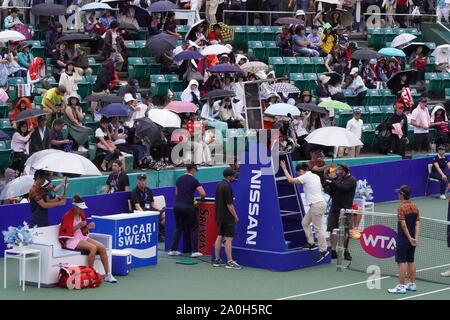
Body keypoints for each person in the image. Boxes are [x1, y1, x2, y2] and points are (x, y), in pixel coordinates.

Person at [58, 194, 117, 283]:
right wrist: (78, 226)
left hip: (82, 238)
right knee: (93, 248)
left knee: (102, 247)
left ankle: (108, 274)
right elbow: (66, 234)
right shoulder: (67, 216)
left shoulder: (81, 214)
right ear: (74, 206)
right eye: (80, 208)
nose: (82, 210)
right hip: (71, 240)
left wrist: (88, 227)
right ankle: (91, 274)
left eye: (82, 208)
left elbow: (83, 231)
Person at [280, 161, 329, 263]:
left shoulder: (306, 176)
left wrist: (284, 169)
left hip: (316, 205)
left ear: (302, 171)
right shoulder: (315, 176)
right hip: (317, 204)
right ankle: (311, 243)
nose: (298, 175)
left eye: (298, 173)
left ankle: (323, 250)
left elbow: (291, 180)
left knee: (318, 229)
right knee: (305, 222)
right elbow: (320, 188)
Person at [168, 164, 206, 257]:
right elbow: (203, 193)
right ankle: (194, 251)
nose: (195, 172)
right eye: (195, 170)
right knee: (194, 228)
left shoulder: (179, 179)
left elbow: (177, 194)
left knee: (178, 228)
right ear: (192, 169)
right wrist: (198, 200)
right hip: (188, 206)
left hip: (177, 206)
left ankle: (173, 250)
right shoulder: (194, 180)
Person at [388, 185, 419, 294]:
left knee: (401, 262)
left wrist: (409, 238)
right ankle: (412, 284)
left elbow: (403, 225)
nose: (398, 195)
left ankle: (401, 287)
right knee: (411, 260)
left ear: (402, 195)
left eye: (399, 193)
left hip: (403, 239)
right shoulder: (415, 207)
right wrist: (415, 238)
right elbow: (417, 224)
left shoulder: (401, 208)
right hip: (412, 240)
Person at [324, 163, 357, 261]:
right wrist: (328, 185)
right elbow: (332, 192)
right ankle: (333, 251)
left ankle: (346, 251)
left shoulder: (352, 180)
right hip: (334, 208)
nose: (338, 172)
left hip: (346, 210)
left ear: (345, 171)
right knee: (332, 229)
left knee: (346, 231)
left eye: (340, 170)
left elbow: (343, 188)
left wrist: (333, 181)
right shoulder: (338, 179)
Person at [213, 168, 241, 269]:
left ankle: (217, 259)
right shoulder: (227, 187)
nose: (234, 177)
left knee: (220, 236)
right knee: (229, 238)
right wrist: (235, 216)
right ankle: (229, 261)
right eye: (233, 175)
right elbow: (229, 204)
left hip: (219, 216)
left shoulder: (219, 185)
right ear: (229, 177)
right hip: (227, 217)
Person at [129, 174, 166, 242]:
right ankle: (158, 235)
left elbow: (153, 204)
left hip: (151, 210)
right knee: (153, 217)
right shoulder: (134, 192)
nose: (143, 182)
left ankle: (162, 232)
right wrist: (144, 214)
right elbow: (137, 206)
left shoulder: (148, 190)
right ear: (138, 181)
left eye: (144, 180)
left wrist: (160, 210)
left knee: (165, 215)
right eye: (141, 180)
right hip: (142, 211)